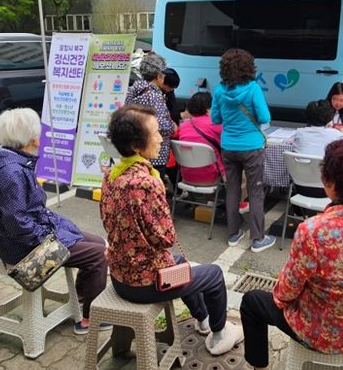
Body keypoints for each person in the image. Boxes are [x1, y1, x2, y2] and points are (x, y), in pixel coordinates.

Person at [240, 137, 343, 369]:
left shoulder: (314, 231)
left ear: (329, 182)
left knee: (252, 302)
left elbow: (285, 293)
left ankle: (258, 366)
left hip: (321, 335)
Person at [100, 104, 244, 356]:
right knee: (213, 275)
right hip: (148, 284)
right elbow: (166, 237)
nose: (161, 138)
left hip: (120, 276)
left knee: (181, 264)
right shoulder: (146, 182)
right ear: (136, 145)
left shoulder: (111, 174)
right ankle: (220, 333)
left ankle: (203, 320)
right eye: (155, 132)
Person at [0, 108, 108, 335]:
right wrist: (52, 240)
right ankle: (91, 319)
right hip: (22, 250)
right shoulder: (12, 173)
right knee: (98, 254)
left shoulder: (12, 163)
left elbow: (25, 215)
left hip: (27, 237)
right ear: (32, 139)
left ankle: (82, 297)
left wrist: (62, 232)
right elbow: (17, 222)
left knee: (97, 242)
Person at [211, 48, 275, 252]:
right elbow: (264, 117)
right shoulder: (253, 88)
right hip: (252, 147)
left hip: (228, 146)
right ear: (248, 67)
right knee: (255, 192)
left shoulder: (219, 90)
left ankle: (233, 234)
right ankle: (258, 239)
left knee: (232, 189)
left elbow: (215, 119)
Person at [125, 53, 175, 176]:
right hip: (154, 155)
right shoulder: (154, 96)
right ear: (158, 76)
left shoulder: (133, 91)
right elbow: (161, 126)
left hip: (136, 150)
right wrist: (172, 125)